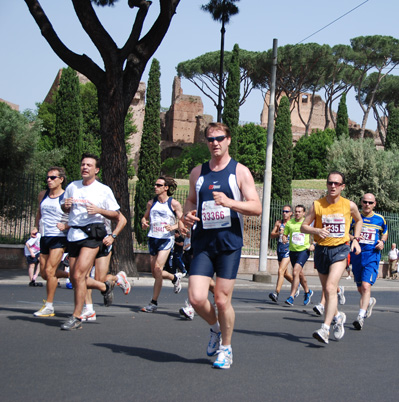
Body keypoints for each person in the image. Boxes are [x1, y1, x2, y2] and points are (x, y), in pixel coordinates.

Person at [183, 122, 262, 369]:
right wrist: (186, 215)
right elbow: (190, 200)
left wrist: (229, 202)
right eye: (210, 139)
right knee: (196, 298)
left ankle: (226, 348)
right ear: (205, 142)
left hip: (228, 243)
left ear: (228, 140)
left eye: (219, 138)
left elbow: (256, 207)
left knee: (221, 299)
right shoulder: (197, 172)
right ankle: (216, 329)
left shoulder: (240, 171)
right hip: (203, 243)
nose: (214, 143)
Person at [60, 153, 120, 330]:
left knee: (79, 275)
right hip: (74, 235)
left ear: (96, 170)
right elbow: (64, 207)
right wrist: (66, 206)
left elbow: (116, 214)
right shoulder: (72, 187)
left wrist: (99, 210)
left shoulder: (103, 190)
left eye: (89, 165)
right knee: (74, 276)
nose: (85, 167)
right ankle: (104, 287)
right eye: (83, 164)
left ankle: (76, 316)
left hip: (93, 234)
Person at [301, 171, 362, 344]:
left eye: (336, 183)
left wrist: (355, 240)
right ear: (326, 185)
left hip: (340, 249)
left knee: (330, 287)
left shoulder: (349, 205)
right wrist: (316, 230)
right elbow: (303, 227)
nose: (333, 186)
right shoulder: (317, 205)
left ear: (343, 186)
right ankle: (338, 317)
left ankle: (325, 329)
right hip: (321, 250)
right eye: (330, 183)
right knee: (328, 293)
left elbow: (359, 221)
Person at [140, 176, 184, 313]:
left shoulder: (174, 204)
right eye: (155, 184)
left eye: (159, 185)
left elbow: (183, 221)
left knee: (158, 268)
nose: (155, 187)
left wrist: (175, 226)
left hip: (166, 239)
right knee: (155, 272)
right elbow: (145, 217)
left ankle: (153, 303)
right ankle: (174, 277)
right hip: (153, 238)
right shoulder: (151, 203)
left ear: (166, 188)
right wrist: (143, 222)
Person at [33, 167, 70, 316]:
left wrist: (66, 226)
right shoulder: (43, 195)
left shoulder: (66, 197)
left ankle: (49, 306)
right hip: (45, 236)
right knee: (44, 274)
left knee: (50, 271)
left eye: (53, 177)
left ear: (61, 179)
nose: (49, 180)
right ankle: (73, 275)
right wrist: (35, 227)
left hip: (59, 237)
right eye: (48, 177)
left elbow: (75, 216)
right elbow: (39, 213)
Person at [80, 211, 130, 322]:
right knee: (84, 276)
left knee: (99, 280)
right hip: (85, 241)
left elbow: (123, 220)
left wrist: (113, 236)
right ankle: (89, 309)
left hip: (103, 241)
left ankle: (117, 278)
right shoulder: (80, 199)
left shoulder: (104, 198)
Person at [350, 193, 387, 330]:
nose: (367, 204)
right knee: (360, 288)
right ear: (361, 202)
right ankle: (369, 301)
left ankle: (360, 316)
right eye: (365, 202)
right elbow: (346, 233)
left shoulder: (379, 219)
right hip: (357, 255)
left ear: (375, 204)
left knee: (366, 286)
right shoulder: (354, 218)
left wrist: (382, 241)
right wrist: (354, 239)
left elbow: (385, 231)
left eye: (370, 203)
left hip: (372, 255)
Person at [280, 204, 314, 306]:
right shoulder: (290, 223)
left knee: (295, 272)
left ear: (304, 213)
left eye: (299, 212)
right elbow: (285, 235)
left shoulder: (307, 223)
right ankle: (308, 292)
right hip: (293, 251)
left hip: (304, 251)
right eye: (296, 211)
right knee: (300, 273)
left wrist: (313, 245)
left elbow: (315, 234)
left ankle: (291, 296)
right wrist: (284, 238)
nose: (297, 213)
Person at [268, 205, 296, 303]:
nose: (284, 213)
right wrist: (279, 233)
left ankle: (276, 293)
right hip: (280, 248)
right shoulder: (279, 223)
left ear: (291, 213)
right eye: (283, 211)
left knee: (280, 271)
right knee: (285, 273)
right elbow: (271, 235)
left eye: (287, 211)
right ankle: (296, 284)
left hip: (288, 248)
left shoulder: (293, 223)